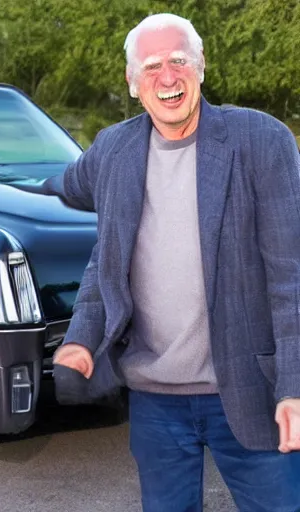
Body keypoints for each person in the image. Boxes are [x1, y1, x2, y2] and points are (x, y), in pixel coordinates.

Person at [44, 12, 300, 512]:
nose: (167, 77)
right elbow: (102, 250)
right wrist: (79, 338)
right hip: (155, 400)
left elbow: (291, 278)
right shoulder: (114, 148)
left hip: (250, 390)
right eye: (152, 65)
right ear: (132, 82)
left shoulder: (261, 142)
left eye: (179, 61)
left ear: (201, 66)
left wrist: (295, 386)